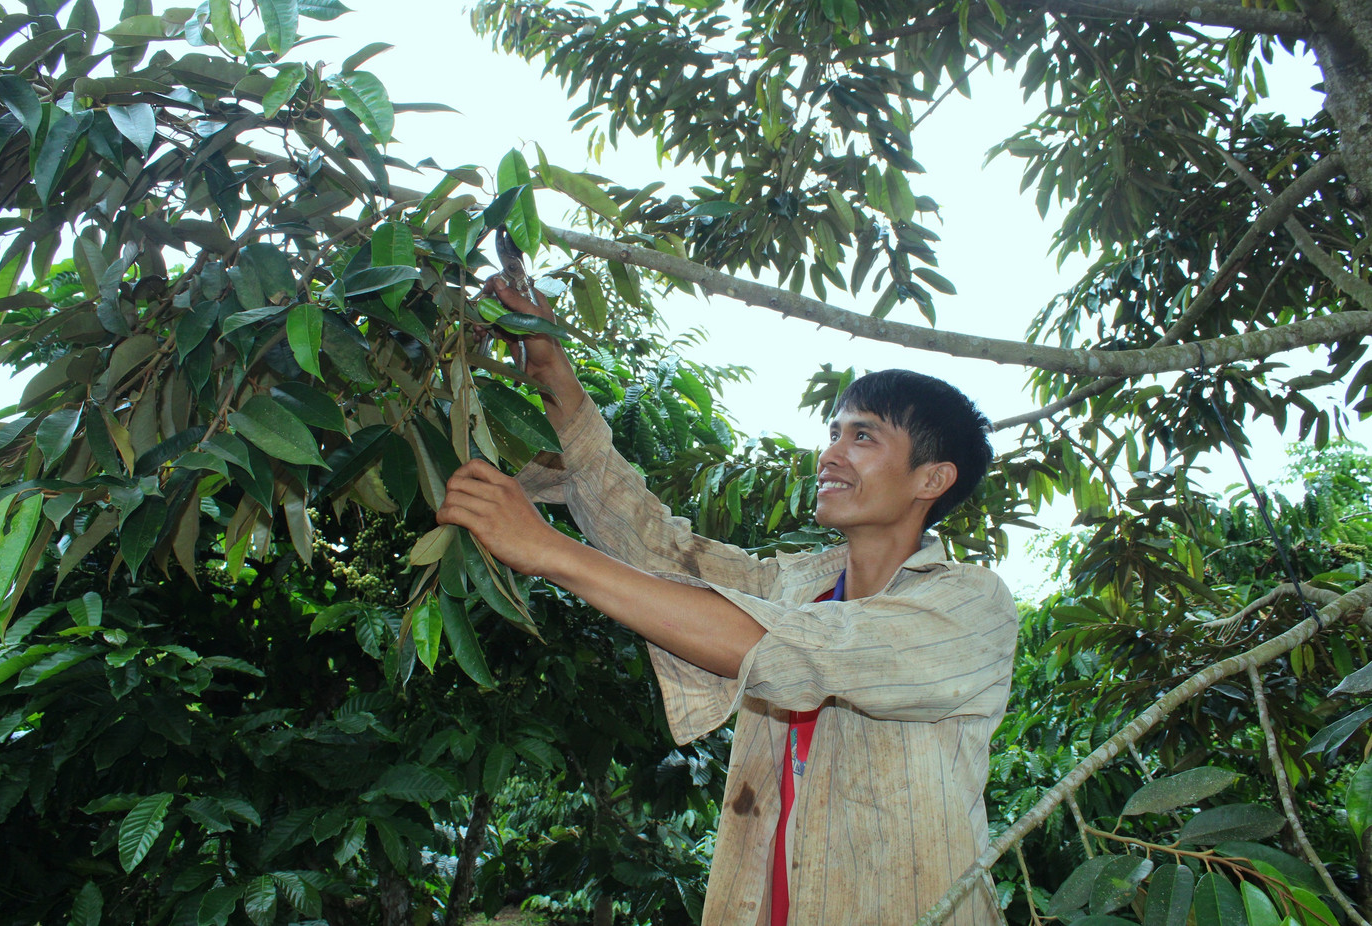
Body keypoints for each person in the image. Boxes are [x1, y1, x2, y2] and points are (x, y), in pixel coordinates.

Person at [436, 278, 1018, 926]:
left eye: (863, 437)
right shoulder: (796, 586)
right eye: (833, 433)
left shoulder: (971, 607)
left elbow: (795, 650)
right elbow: (664, 553)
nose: (828, 455)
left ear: (932, 479)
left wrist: (547, 550)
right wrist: (556, 380)